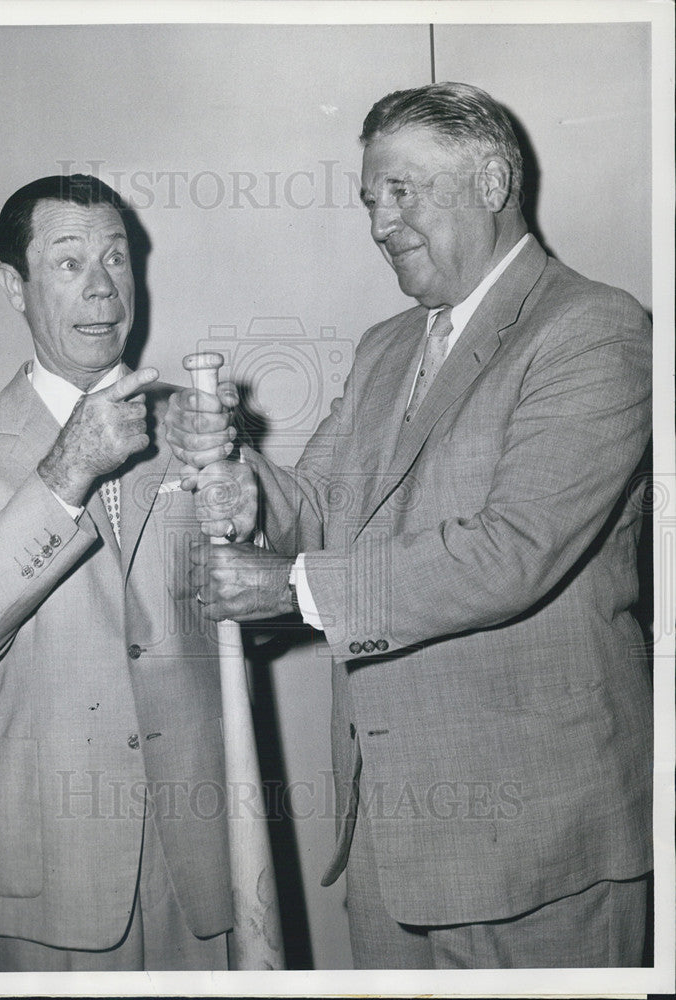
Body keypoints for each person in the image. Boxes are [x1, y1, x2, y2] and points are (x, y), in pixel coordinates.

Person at [165, 83, 653, 968]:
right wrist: (243, 484)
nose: (380, 223)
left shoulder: (593, 330)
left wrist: (291, 586)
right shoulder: (387, 346)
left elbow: (512, 552)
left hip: (540, 846)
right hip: (391, 843)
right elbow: (315, 502)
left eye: (402, 192)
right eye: (368, 200)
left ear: (494, 181)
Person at [0, 174, 233, 971]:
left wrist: (248, 498)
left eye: (117, 259)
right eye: (68, 262)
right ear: (13, 287)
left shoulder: (190, 426)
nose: (102, 288)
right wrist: (66, 470)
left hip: (199, 859)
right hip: (52, 867)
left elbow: (260, 584)